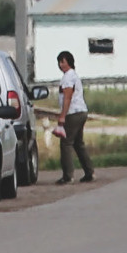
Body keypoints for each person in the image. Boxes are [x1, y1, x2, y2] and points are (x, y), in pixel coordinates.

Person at [48, 49, 95, 184]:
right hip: (81, 111)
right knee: (79, 143)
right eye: (59, 62)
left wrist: (62, 116)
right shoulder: (74, 76)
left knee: (66, 143)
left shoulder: (68, 77)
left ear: (69, 62)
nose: (60, 64)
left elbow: (67, 97)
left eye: (63, 61)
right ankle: (89, 172)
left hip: (73, 113)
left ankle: (68, 175)